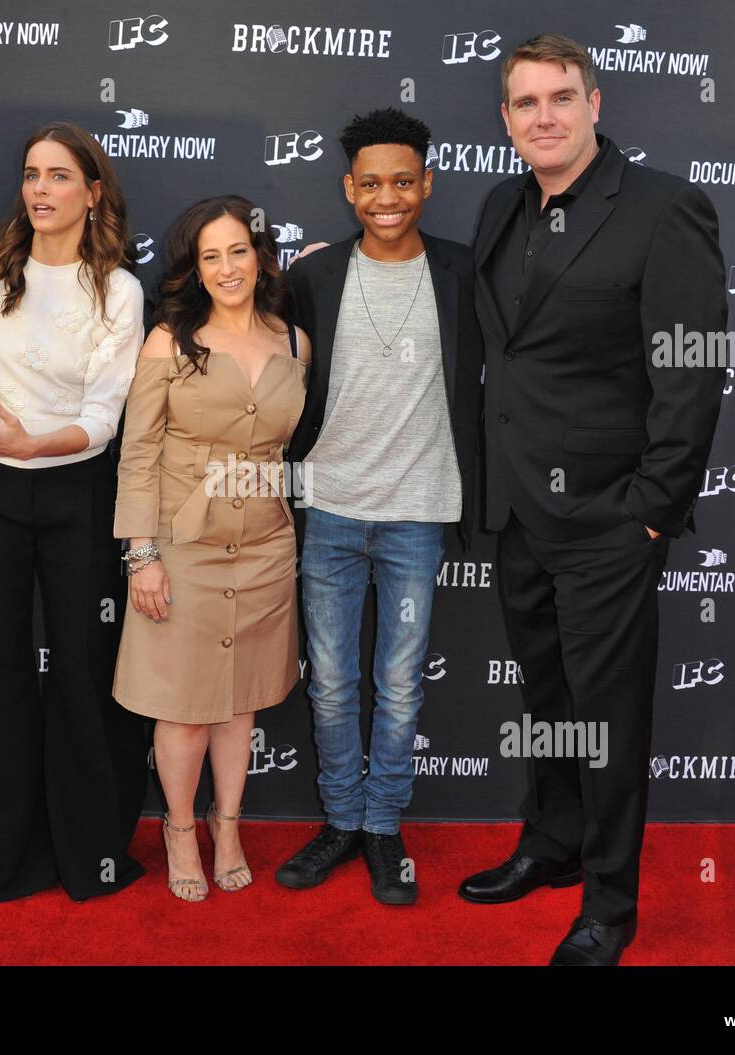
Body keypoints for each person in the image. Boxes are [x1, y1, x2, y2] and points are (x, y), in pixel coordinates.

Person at [458, 35, 727, 965]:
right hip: (518, 509)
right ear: (505, 120)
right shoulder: (501, 204)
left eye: (560, 98)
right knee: (547, 697)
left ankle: (612, 901)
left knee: (608, 716)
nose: (544, 117)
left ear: (596, 102)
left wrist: (652, 508)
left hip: (610, 516)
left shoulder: (661, 208)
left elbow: (692, 372)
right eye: (525, 103)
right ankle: (554, 841)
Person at [276, 108, 482, 905]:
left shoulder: (463, 273)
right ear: (348, 188)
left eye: (403, 181)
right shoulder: (314, 278)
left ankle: (385, 827)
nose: (387, 197)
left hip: (417, 513)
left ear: (426, 184)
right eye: (371, 183)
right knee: (329, 683)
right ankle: (342, 822)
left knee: (399, 684)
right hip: (327, 510)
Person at [0, 123, 149, 904]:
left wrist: (34, 445)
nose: (40, 189)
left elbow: (106, 416)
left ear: (93, 192)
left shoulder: (120, 290)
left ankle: (89, 850)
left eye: (60, 176)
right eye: (31, 174)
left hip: (77, 494)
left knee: (81, 668)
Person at [113, 195, 310, 901]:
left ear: (261, 255)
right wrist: (143, 553)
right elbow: (137, 453)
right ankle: (179, 828)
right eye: (211, 255)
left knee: (240, 704)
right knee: (185, 705)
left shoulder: (294, 342)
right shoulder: (170, 340)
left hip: (264, 544)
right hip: (183, 545)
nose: (228, 267)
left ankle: (228, 824)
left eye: (239, 250)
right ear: (194, 269)